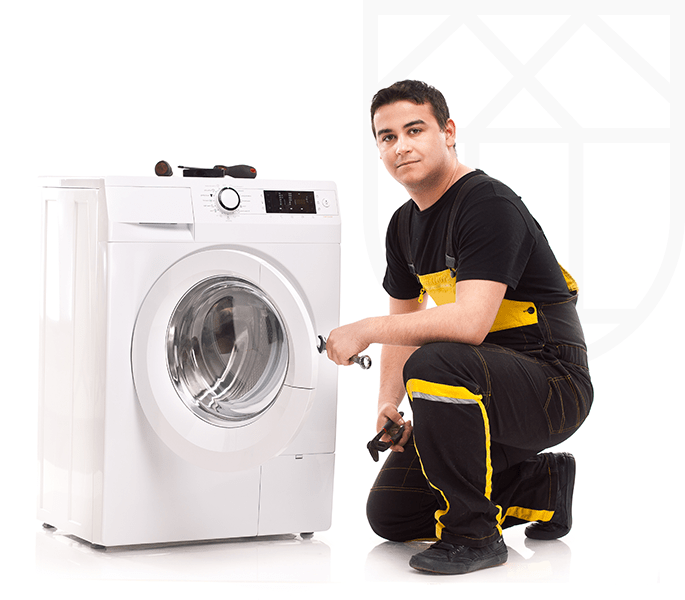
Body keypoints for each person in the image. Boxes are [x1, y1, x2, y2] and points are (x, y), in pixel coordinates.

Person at [325, 80, 593, 575]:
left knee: (436, 357)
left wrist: (362, 328)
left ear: (447, 132)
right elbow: (403, 322)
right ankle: (542, 485)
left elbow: (469, 324)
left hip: (553, 383)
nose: (400, 146)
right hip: (479, 385)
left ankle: (474, 536)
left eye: (414, 129)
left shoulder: (488, 204)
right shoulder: (402, 227)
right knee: (393, 514)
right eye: (386, 137)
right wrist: (388, 404)